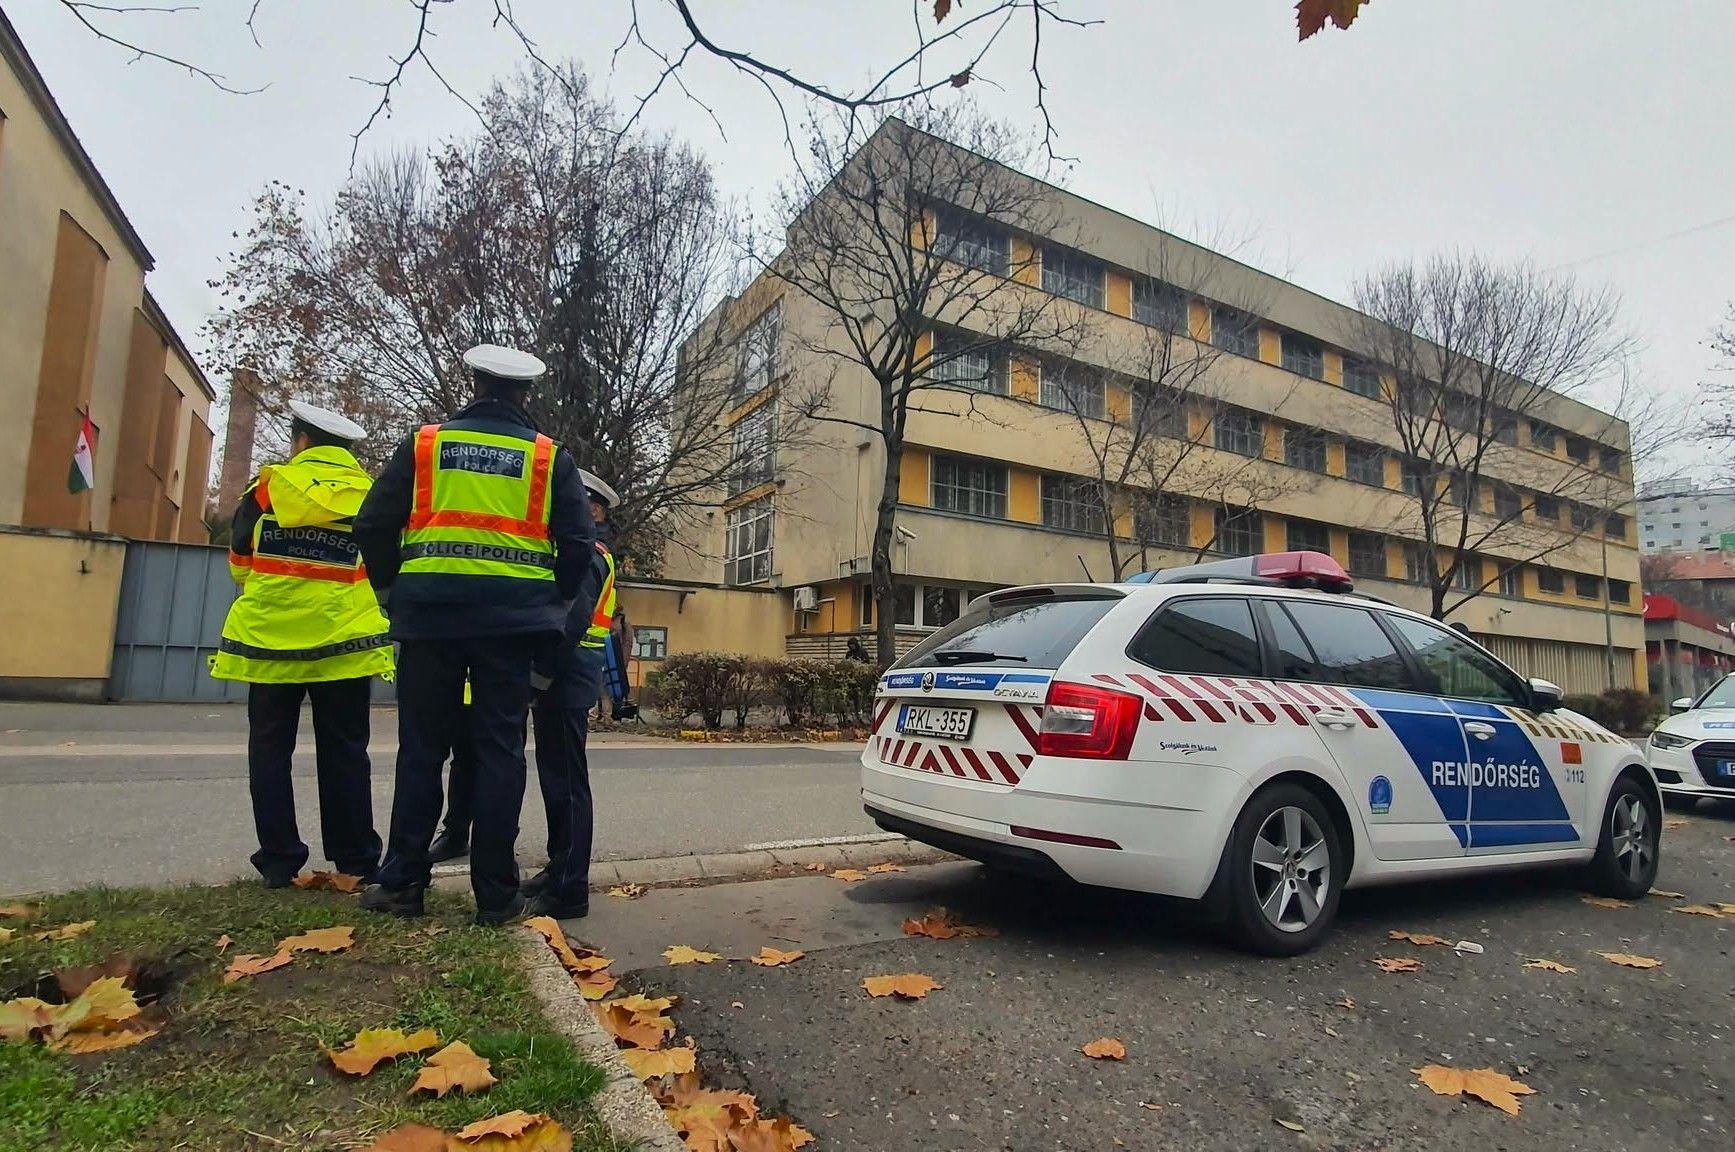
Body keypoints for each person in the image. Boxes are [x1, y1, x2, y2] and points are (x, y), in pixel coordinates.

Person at [354, 344, 593, 925]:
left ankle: (404, 881)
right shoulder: (546, 457)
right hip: (511, 630)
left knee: (422, 751)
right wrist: (550, 602)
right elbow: (580, 547)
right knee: (499, 754)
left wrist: (392, 593)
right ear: (523, 394)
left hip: (430, 622)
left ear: (474, 383)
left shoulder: (425, 444)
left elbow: (373, 523)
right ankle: (496, 895)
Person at [210, 401, 393, 887]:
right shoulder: (372, 496)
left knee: (269, 750)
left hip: (271, 643)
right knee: (347, 751)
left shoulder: (267, 490)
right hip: (345, 644)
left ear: (301, 442)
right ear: (348, 450)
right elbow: (384, 568)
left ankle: (279, 858)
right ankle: (356, 856)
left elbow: (239, 564)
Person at [519, 468, 619, 918]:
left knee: (568, 785)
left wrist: (538, 677)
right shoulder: (582, 550)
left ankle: (569, 888)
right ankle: (558, 868)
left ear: (592, 509)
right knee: (557, 782)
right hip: (564, 676)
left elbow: (571, 622)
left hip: (565, 676)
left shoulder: (591, 554)